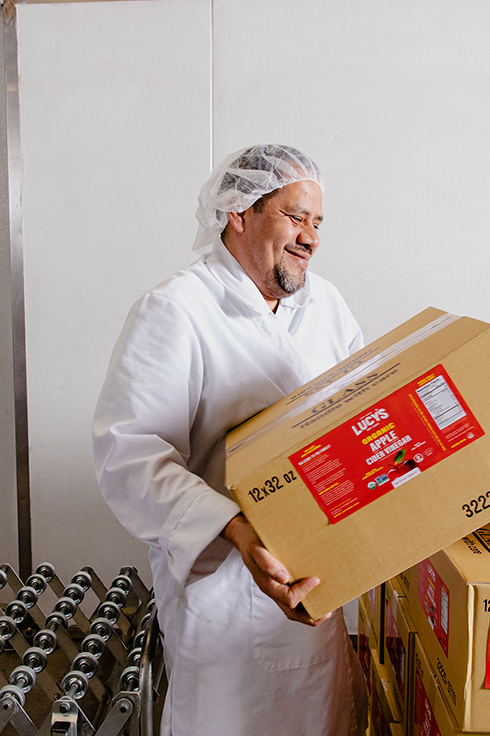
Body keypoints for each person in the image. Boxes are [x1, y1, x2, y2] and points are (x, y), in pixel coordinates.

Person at [92, 144, 368, 735]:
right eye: (295, 217)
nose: (311, 238)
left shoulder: (327, 307)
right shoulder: (177, 310)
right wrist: (239, 531)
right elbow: (131, 457)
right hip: (224, 593)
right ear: (238, 212)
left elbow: (362, 420)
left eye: (318, 223)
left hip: (316, 586)